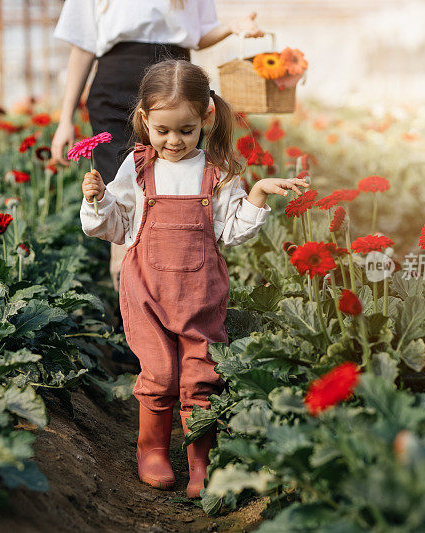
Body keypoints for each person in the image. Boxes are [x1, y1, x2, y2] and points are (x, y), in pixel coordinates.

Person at [80, 60, 310, 497]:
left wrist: (257, 193)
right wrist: (96, 202)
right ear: (145, 120)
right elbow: (116, 226)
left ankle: (200, 458)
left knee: (200, 375)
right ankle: (152, 450)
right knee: (160, 373)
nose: (173, 141)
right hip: (146, 289)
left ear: (205, 117)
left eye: (185, 130)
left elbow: (230, 230)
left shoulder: (216, 170)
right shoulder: (137, 166)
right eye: (162, 130)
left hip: (200, 293)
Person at [51, 0, 264, 292]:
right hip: (114, 90)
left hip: (176, 90)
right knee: (122, 196)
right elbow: (84, 45)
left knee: (176, 189)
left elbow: (199, 34)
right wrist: (66, 118)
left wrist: (231, 27)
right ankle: (129, 302)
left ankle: (185, 292)